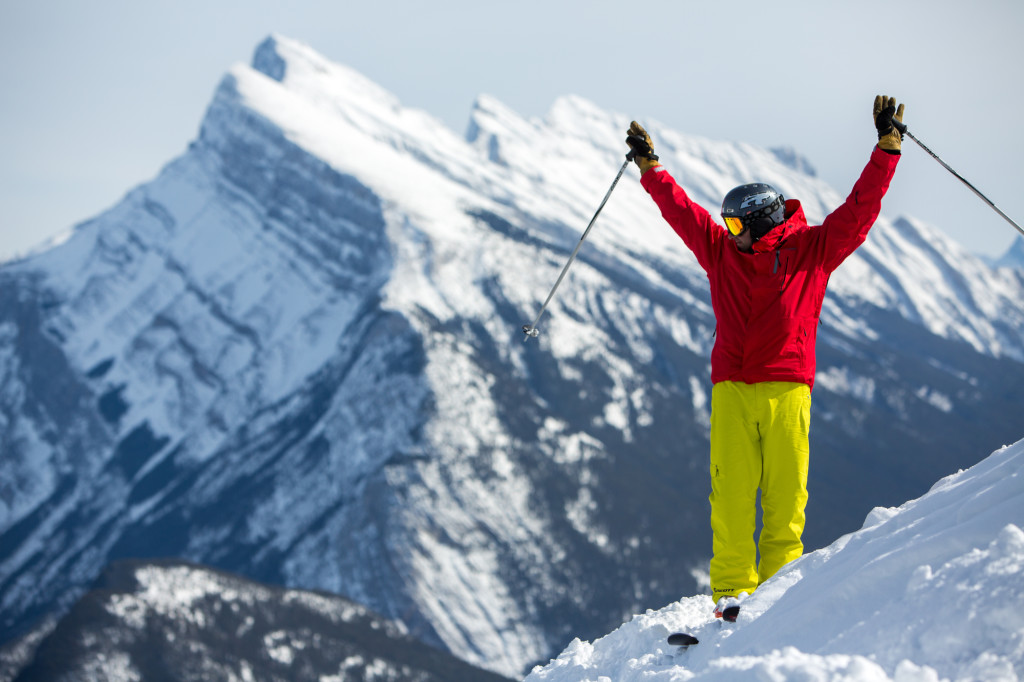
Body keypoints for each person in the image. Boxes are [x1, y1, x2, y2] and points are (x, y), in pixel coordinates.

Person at [626, 95, 904, 621]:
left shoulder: (814, 251)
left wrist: (886, 150)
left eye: (737, 226)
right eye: (727, 227)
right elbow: (682, 213)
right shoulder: (723, 254)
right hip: (732, 390)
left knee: (785, 502)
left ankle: (780, 598)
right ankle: (731, 596)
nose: (729, 234)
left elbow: (859, 211)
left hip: (787, 391)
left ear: (761, 220)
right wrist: (651, 169)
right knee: (730, 498)